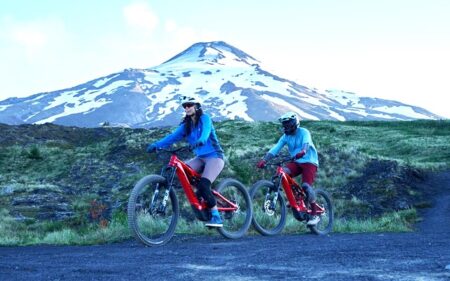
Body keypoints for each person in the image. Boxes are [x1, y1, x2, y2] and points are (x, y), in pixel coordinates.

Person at [146, 95, 225, 228]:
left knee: (204, 185)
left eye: (189, 105)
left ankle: (216, 216)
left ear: (196, 106)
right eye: (185, 106)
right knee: (183, 171)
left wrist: (201, 140)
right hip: (200, 158)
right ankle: (201, 196)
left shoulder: (205, 118)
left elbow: (205, 133)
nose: (187, 107)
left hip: (214, 157)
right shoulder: (186, 125)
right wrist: (156, 145)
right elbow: (172, 137)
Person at [256, 112, 320, 225]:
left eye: (287, 124)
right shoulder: (285, 136)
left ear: (294, 123)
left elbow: (306, 143)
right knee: (282, 173)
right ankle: (295, 198)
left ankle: (314, 214)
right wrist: (264, 160)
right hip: (296, 161)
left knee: (306, 186)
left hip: (310, 161)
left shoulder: (304, 132)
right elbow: (276, 148)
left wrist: (303, 151)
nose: (285, 126)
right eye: (284, 124)